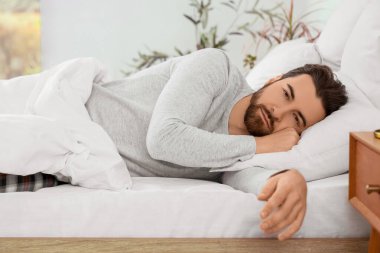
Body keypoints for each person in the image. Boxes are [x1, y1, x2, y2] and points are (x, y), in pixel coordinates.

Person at [82, 47, 346, 240]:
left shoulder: (238, 155)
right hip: (73, 115)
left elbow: (250, 180)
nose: (279, 113)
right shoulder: (217, 68)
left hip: (77, 162)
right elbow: (163, 139)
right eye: (286, 94)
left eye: (296, 118)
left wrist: (289, 178)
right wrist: (261, 146)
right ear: (273, 80)